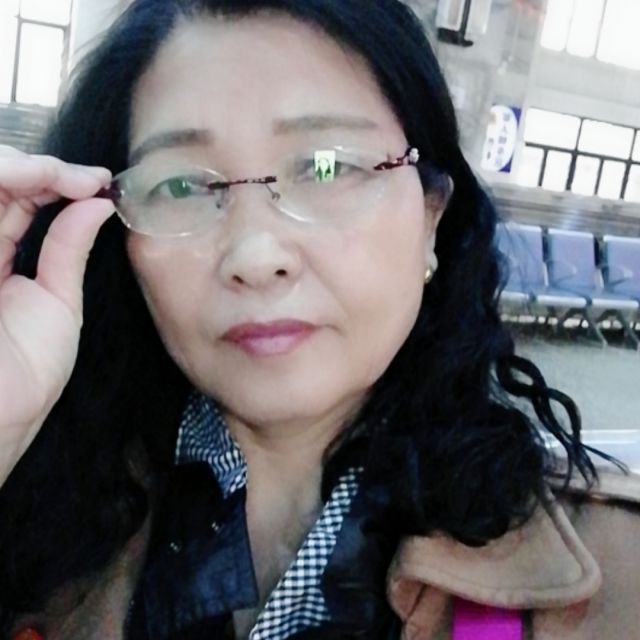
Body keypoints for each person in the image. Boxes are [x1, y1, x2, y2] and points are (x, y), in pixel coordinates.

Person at [0, 0, 639, 638]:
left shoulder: (621, 573)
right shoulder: (36, 518)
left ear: (431, 218)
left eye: (327, 167)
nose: (256, 257)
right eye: (181, 186)